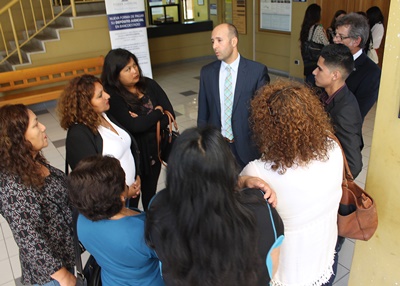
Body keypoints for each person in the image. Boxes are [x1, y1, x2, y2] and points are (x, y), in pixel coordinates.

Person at [145, 126, 284, 286]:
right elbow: (271, 268)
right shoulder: (262, 213)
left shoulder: (159, 209)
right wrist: (241, 181)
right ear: (229, 167)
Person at [241, 80, 343, 286]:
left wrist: (244, 179)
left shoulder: (259, 172)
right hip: (325, 261)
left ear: (266, 127)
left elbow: (233, 193)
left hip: (290, 273)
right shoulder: (333, 148)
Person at [0, 104, 76, 286]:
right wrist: (63, 276)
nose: (43, 127)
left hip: (65, 257)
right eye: (35, 125)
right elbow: (28, 238)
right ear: (18, 138)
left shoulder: (30, 161)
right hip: (51, 277)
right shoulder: (14, 186)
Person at [68, 155, 164, 286]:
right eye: (124, 184)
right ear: (120, 196)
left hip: (110, 281)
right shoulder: (143, 230)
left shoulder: (81, 221)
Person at [101, 48, 175, 211]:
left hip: (155, 151)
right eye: (127, 69)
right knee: (131, 199)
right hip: (133, 156)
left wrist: (145, 122)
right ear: (115, 74)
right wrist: (156, 112)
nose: (134, 71)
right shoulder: (113, 96)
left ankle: (149, 223)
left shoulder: (149, 84)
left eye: (135, 65)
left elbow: (169, 114)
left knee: (150, 194)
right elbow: (134, 126)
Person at [58, 74, 141, 204]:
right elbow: (92, 178)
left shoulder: (105, 115)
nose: (107, 96)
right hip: (111, 201)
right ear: (85, 104)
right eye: (100, 95)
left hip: (130, 194)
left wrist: (137, 176)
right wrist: (124, 192)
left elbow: (128, 148)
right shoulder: (78, 134)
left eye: (104, 92)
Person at [197, 23, 270, 169]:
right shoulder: (207, 73)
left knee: (246, 189)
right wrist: (202, 143)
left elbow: (263, 115)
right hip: (217, 148)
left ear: (233, 41)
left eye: (219, 40)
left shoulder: (256, 72)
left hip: (247, 148)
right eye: (212, 41)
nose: (214, 46)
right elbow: (203, 114)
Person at [313, 44, 363, 178]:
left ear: (335, 75)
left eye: (319, 69)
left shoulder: (345, 110)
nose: (314, 72)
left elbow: (353, 166)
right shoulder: (323, 95)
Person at [334, 12, 381, 120]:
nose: (335, 40)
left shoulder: (371, 72)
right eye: (335, 35)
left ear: (356, 41)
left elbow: (357, 112)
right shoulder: (332, 58)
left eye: (341, 37)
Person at [299, 3, 329, 86]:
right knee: (315, 87)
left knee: (309, 84)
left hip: (307, 63)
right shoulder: (318, 28)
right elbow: (327, 45)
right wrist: (325, 34)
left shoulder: (305, 27)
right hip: (315, 63)